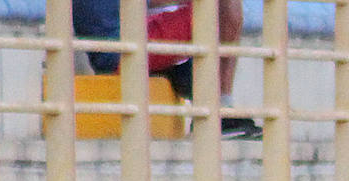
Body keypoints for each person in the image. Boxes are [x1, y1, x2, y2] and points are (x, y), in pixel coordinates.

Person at [73, 0, 262, 139]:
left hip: (121, 45)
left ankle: (215, 106)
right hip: (119, 51)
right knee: (219, 8)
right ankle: (220, 109)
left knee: (216, 12)